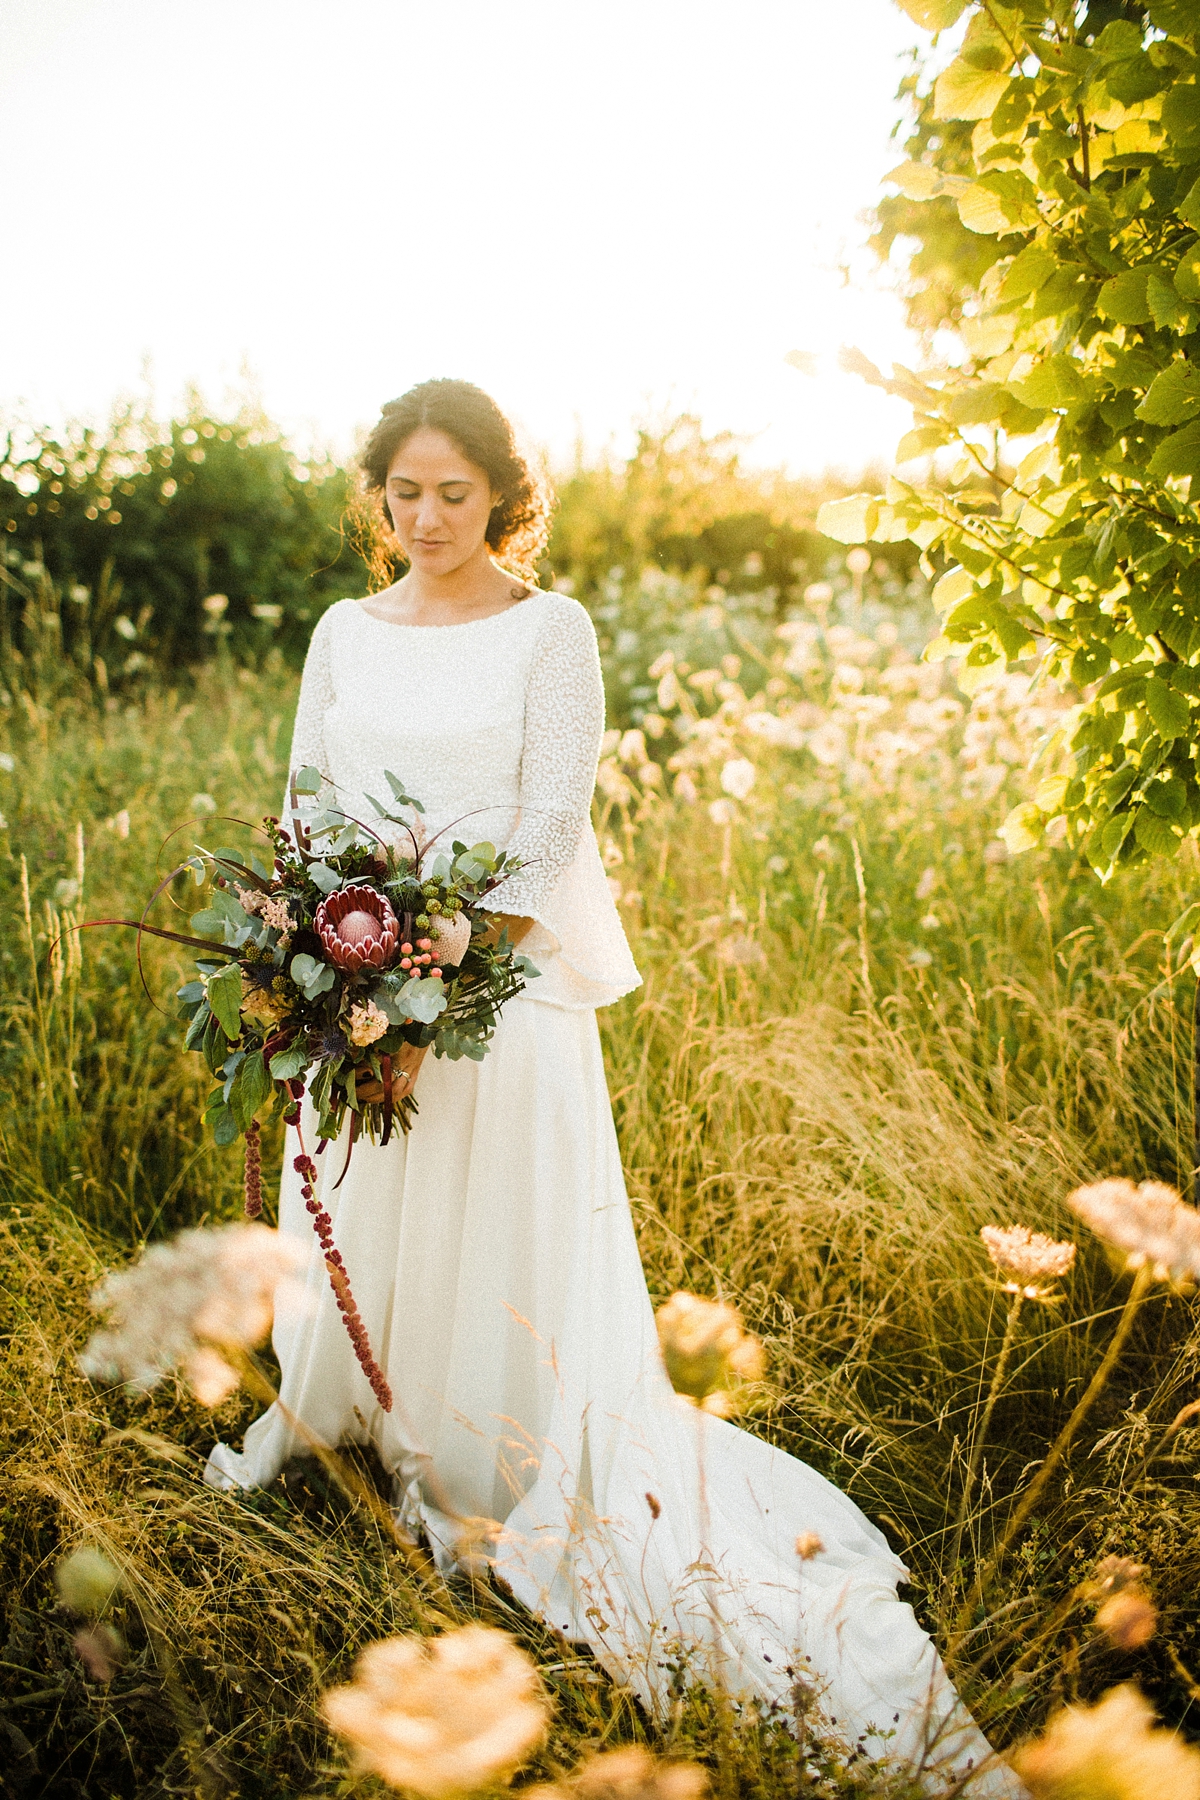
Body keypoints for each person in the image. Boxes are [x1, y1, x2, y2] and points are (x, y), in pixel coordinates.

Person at [205, 379, 1024, 1795]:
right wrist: (333, 967)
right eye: (402, 491)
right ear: (376, 495)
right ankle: (350, 1413)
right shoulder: (345, 631)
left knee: (492, 1226)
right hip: (352, 982)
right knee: (363, 1198)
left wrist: (443, 971)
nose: (426, 518)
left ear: (503, 494)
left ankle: (488, 1455)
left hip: (501, 997)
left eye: (454, 492)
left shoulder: (552, 629)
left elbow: (548, 817)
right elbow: (306, 800)